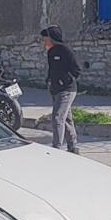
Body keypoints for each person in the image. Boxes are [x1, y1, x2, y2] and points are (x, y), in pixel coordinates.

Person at [41, 25, 81, 154]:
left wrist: (64, 80)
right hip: (55, 89)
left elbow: (76, 70)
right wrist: (49, 80)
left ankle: (57, 148)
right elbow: (52, 69)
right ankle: (73, 146)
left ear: (52, 38)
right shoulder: (51, 52)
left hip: (67, 89)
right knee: (66, 119)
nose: (44, 41)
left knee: (58, 117)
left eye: (46, 38)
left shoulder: (65, 50)